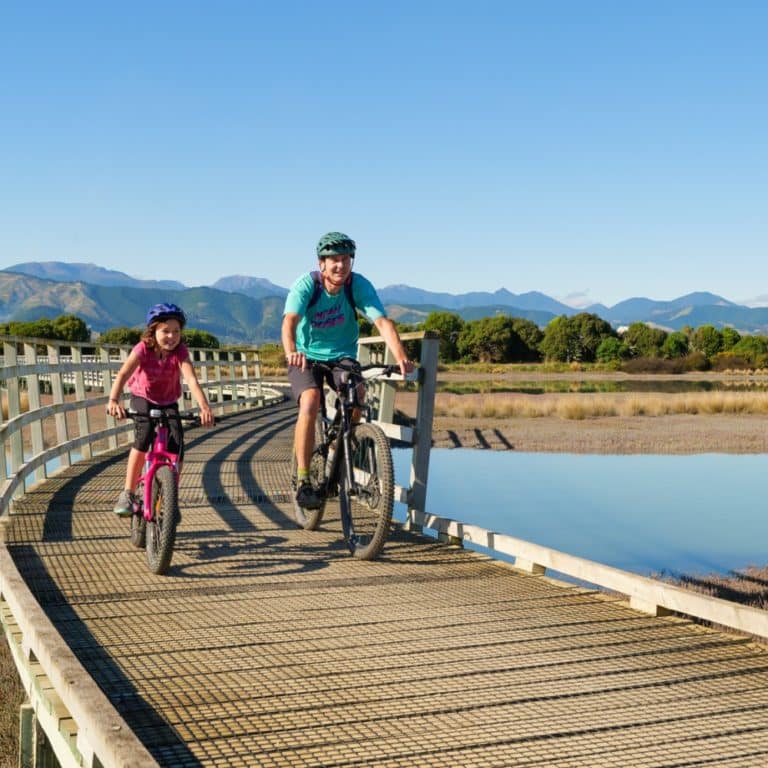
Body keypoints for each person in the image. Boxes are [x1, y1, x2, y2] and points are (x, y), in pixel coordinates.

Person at [282, 231, 415, 509]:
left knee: (358, 394)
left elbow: (383, 323)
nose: (340, 265)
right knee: (310, 401)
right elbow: (290, 321)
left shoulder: (357, 285)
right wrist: (291, 351)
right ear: (322, 264)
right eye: (334, 260)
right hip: (306, 356)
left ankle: (338, 449)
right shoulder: (307, 285)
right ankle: (304, 480)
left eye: (345, 259)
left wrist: (401, 357)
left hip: (342, 355)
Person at [106, 302, 214, 516]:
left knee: (177, 444)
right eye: (165, 331)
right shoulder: (143, 348)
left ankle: (169, 498)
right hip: (142, 397)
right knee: (143, 436)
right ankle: (128, 493)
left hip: (168, 401)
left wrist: (204, 408)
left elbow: (191, 380)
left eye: (176, 331)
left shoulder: (181, 351)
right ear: (153, 330)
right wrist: (113, 400)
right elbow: (123, 374)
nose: (171, 336)